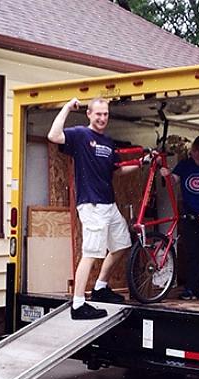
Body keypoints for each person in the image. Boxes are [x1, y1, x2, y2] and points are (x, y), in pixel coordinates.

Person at [48, 97, 141, 320]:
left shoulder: (108, 142)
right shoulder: (80, 135)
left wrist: (143, 162)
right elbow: (53, 136)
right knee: (90, 253)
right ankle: (78, 304)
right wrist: (67, 107)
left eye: (105, 114)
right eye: (98, 114)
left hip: (109, 204)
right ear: (89, 114)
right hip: (92, 205)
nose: (102, 118)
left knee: (121, 245)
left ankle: (100, 288)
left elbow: (116, 171)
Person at [160, 136, 199, 300]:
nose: (197, 155)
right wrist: (166, 174)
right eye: (195, 151)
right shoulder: (185, 165)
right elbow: (174, 181)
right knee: (193, 253)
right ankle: (191, 289)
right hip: (189, 215)